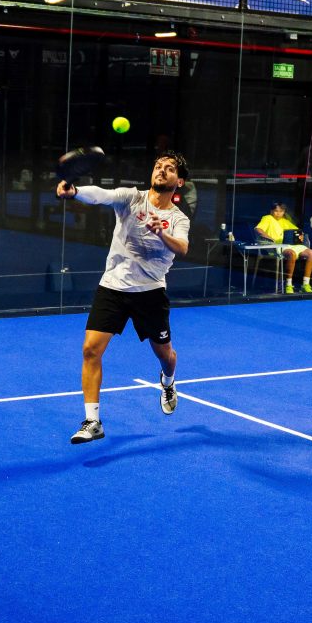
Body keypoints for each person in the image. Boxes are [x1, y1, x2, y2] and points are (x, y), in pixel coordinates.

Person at [57, 150, 192, 444]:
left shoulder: (178, 218)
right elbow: (101, 195)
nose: (161, 170)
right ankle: (93, 421)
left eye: (169, 168)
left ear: (179, 181)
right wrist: (75, 192)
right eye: (158, 166)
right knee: (90, 350)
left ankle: (168, 381)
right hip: (113, 288)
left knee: (165, 355)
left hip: (150, 293)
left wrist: (161, 233)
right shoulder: (132, 198)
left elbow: (182, 248)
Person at [255, 201, 312, 294]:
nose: (278, 213)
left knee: (311, 253)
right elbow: (258, 229)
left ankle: (305, 284)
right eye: (276, 211)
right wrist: (269, 238)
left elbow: (297, 232)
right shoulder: (267, 218)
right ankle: (288, 285)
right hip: (276, 246)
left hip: (291, 245)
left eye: (281, 211)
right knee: (291, 253)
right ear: (271, 211)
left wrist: (300, 237)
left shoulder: (285, 221)